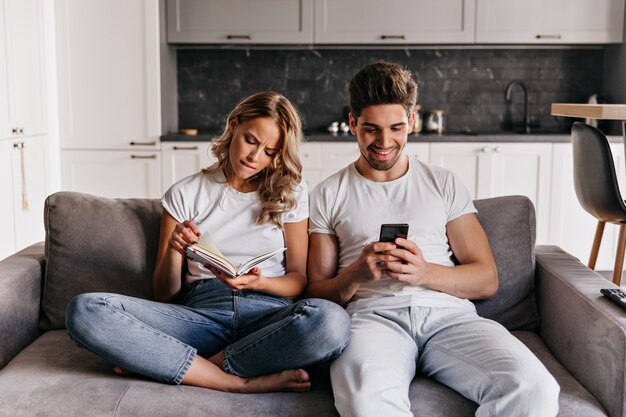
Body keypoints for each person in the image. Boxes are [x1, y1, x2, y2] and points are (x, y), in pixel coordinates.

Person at [306, 62, 560, 416]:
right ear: (352, 124)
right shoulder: (327, 193)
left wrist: (424, 273)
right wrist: (356, 275)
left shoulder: (443, 182)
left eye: (396, 127)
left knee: (535, 389)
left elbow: (486, 280)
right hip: (372, 319)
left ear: (411, 122)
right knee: (365, 401)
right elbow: (314, 291)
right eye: (371, 129)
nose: (384, 142)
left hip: (449, 319)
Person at [66, 91, 350, 393]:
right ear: (233, 124)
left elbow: (298, 279)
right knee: (86, 309)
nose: (255, 157)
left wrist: (259, 283)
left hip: (269, 318)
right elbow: (164, 293)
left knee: (330, 321)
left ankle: (191, 365)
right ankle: (236, 382)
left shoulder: (291, 192)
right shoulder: (185, 194)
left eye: (269, 151)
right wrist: (177, 248)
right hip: (200, 318)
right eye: (251, 140)